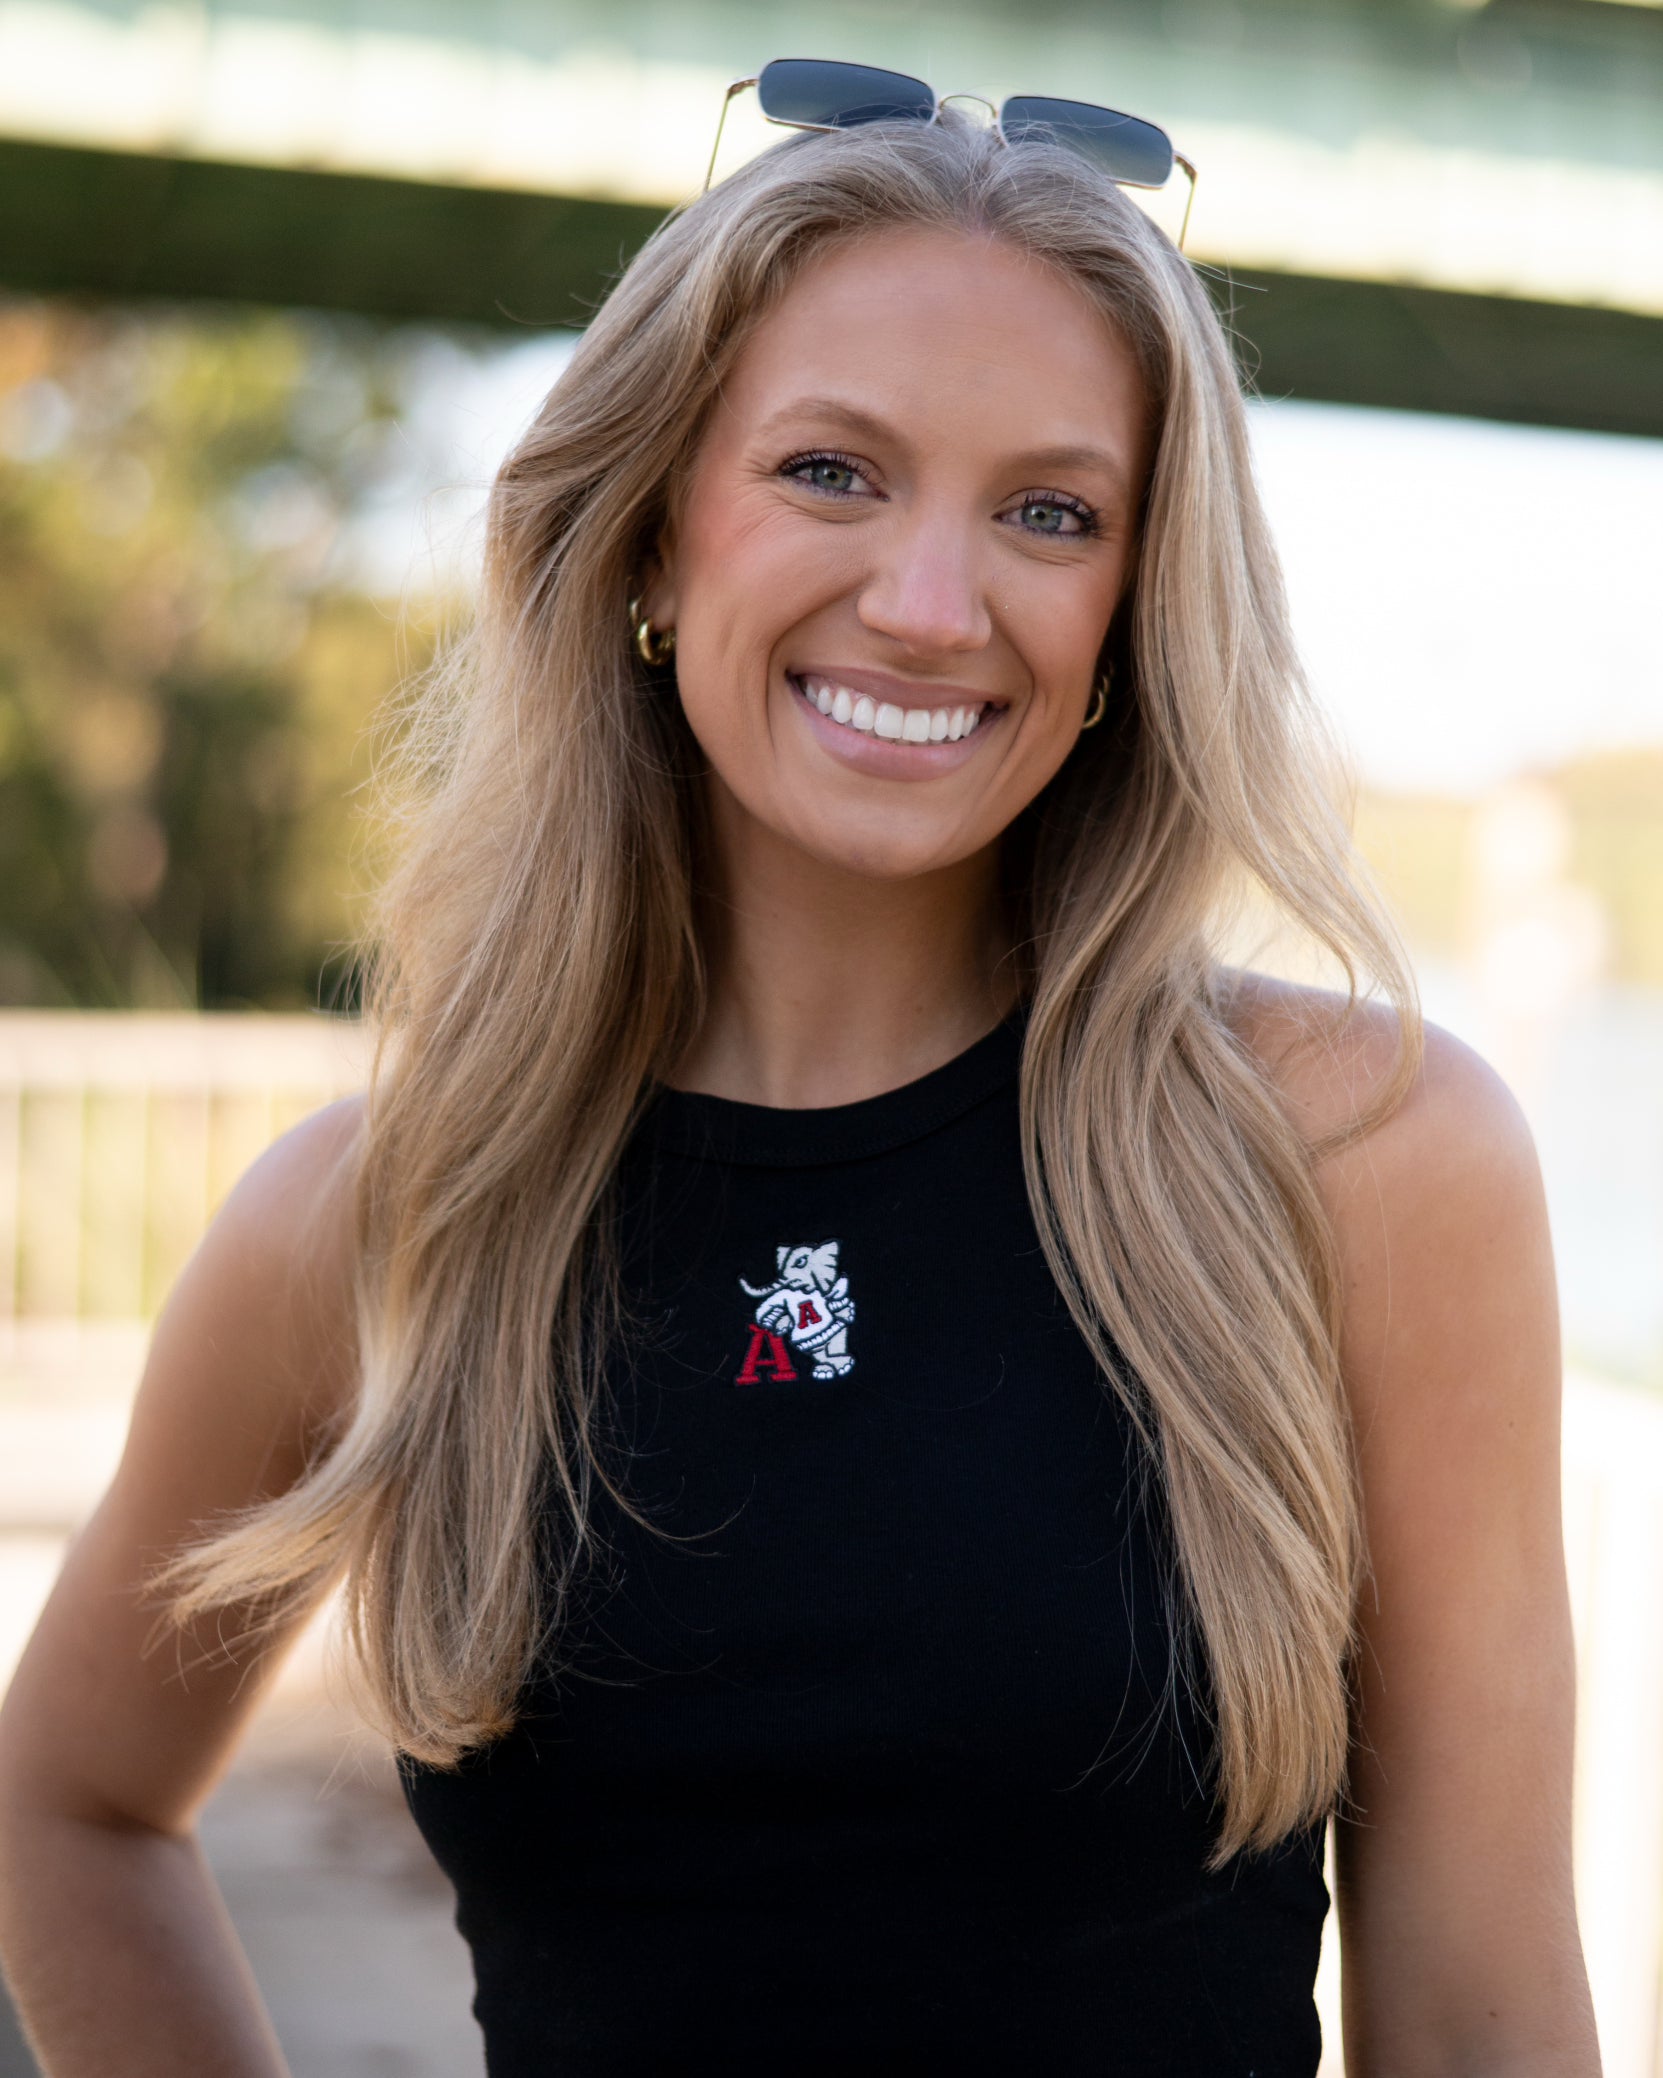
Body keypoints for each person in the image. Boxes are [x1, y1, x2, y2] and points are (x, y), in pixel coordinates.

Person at [0, 89, 1598, 2078]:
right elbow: (66, 1804)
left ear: (1131, 610)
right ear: (654, 533)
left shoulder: (1365, 1159)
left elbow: (1481, 2019)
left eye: (1051, 512)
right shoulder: (392, 1214)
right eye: (831, 471)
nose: (930, 603)